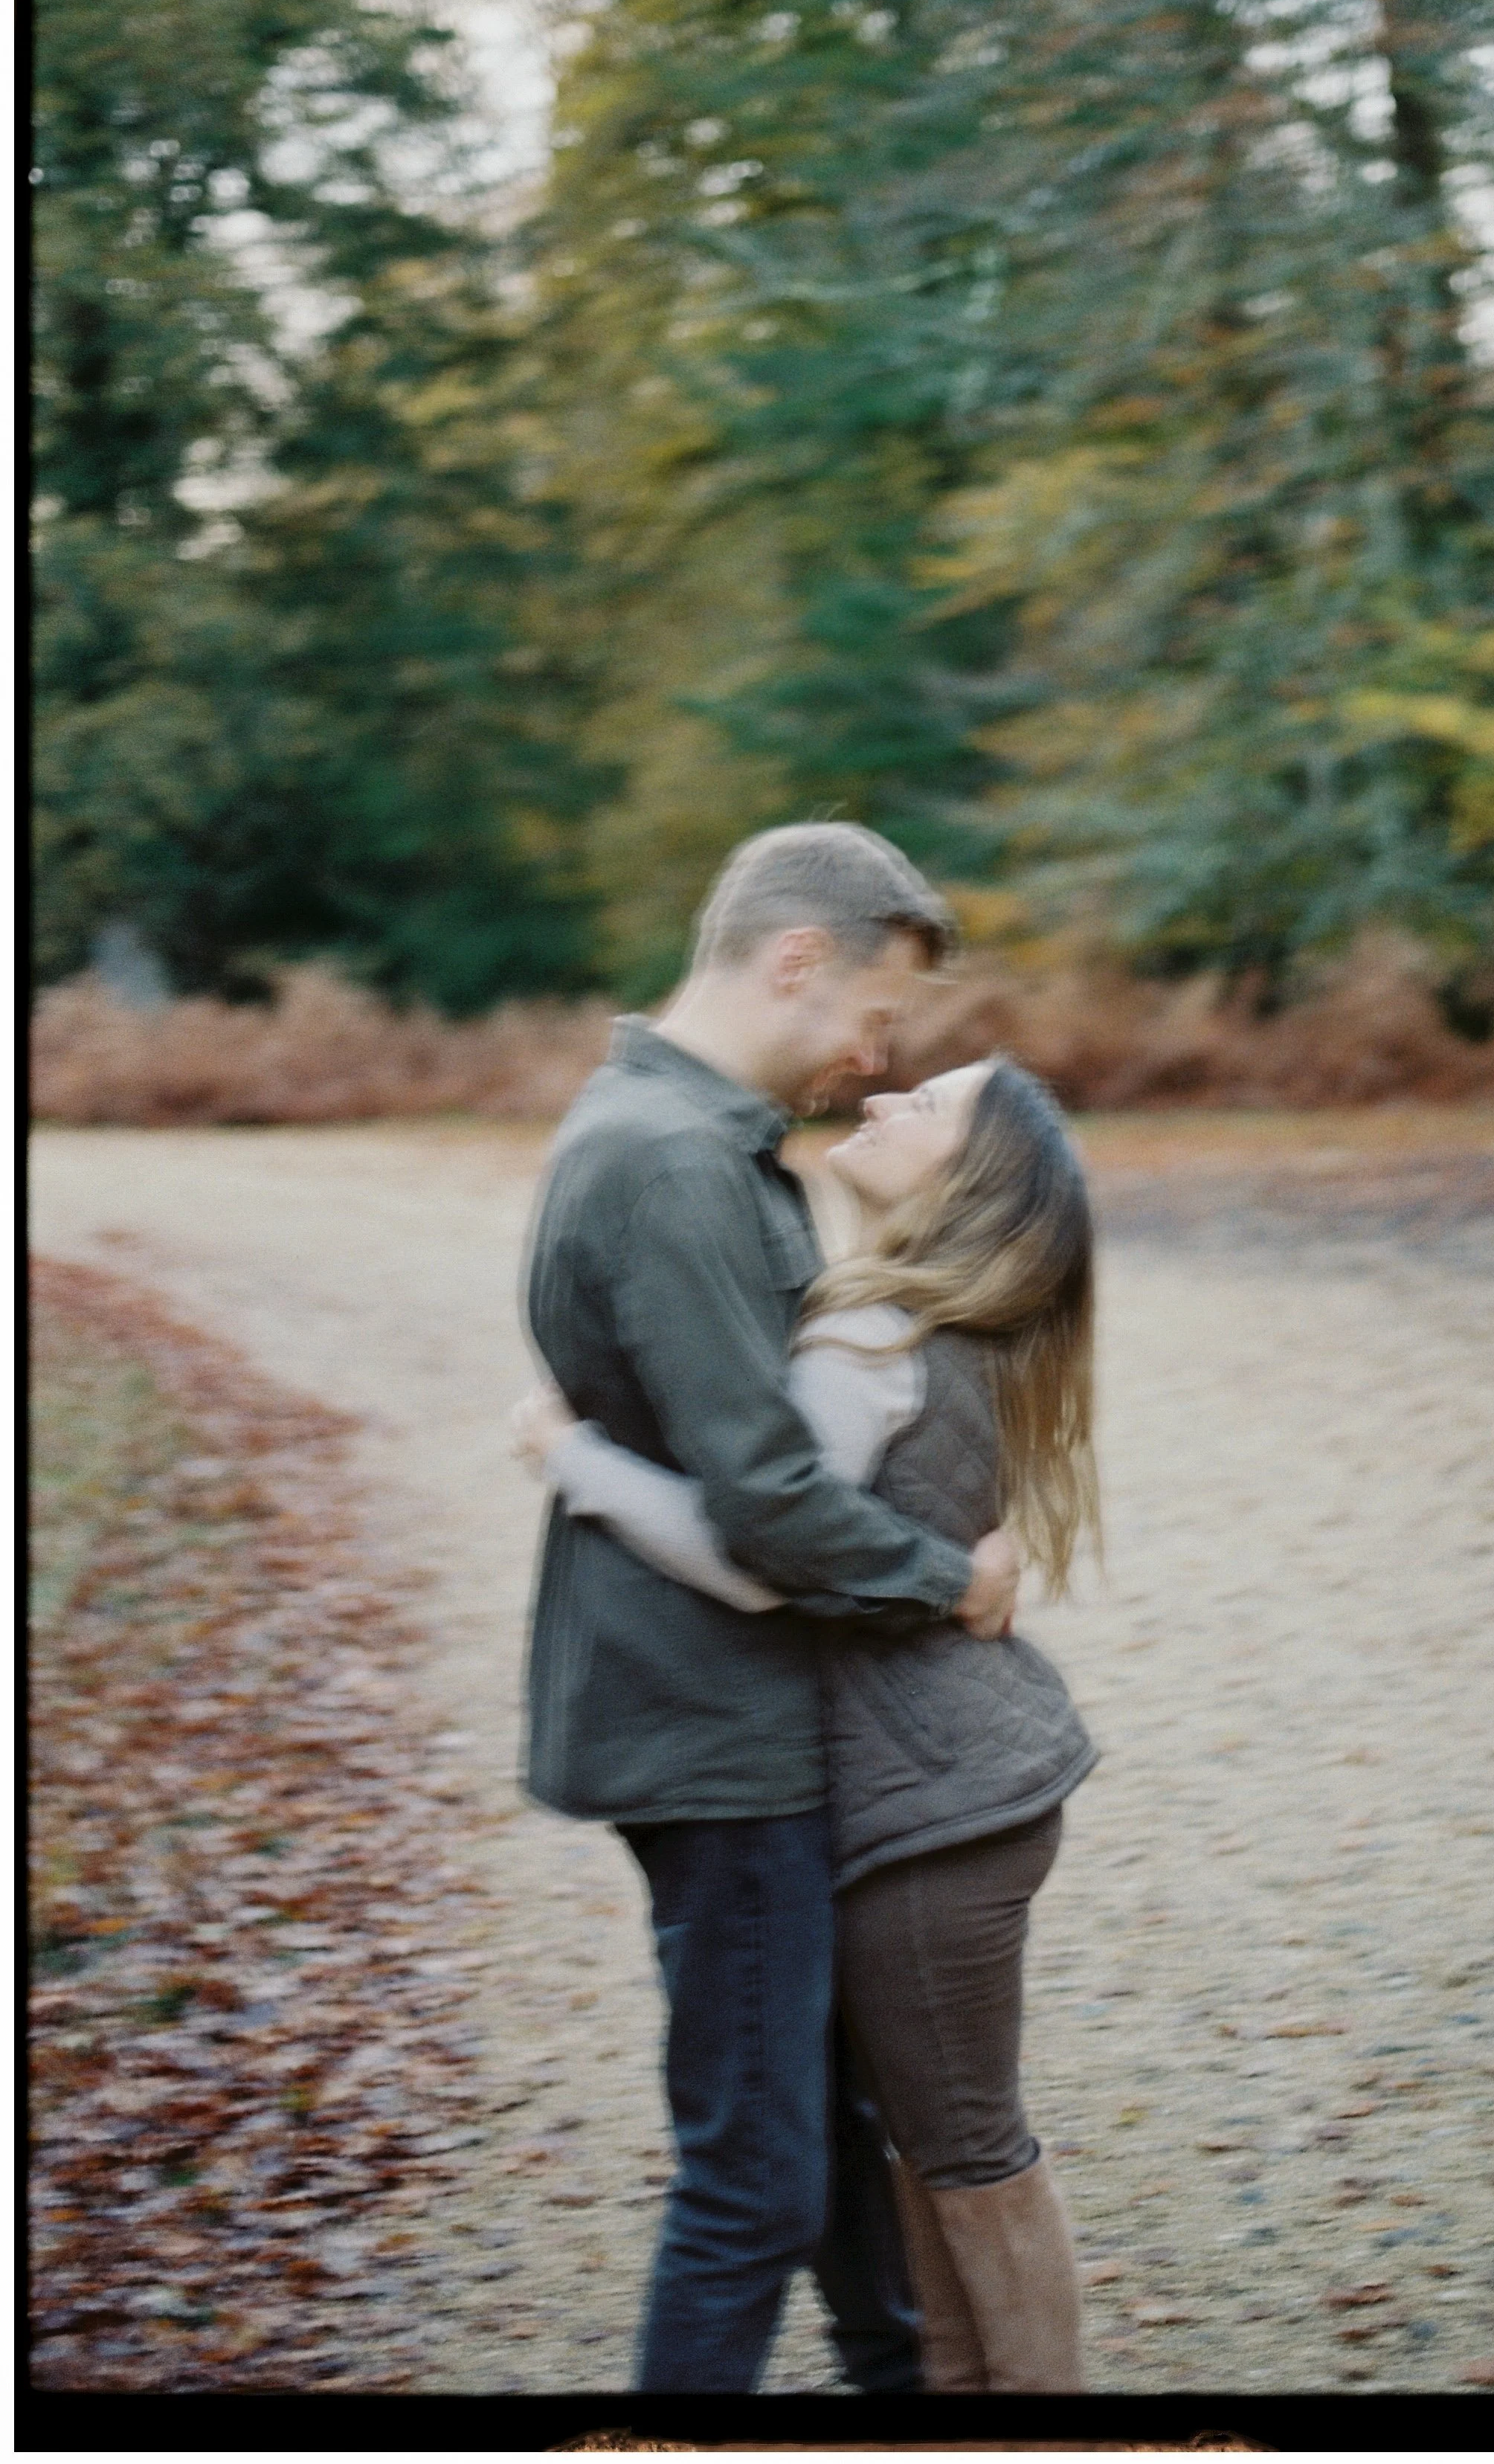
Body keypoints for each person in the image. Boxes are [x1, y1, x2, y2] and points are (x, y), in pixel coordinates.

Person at [518, 824, 1023, 2398]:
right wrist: (956, 1583)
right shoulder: (668, 1160)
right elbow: (767, 1499)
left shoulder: (683, 1139)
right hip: (712, 1734)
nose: (881, 1062)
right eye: (877, 1017)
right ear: (795, 957)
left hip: (731, 1711)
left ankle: (899, 2393)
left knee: (825, 2123)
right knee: (752, 2183)